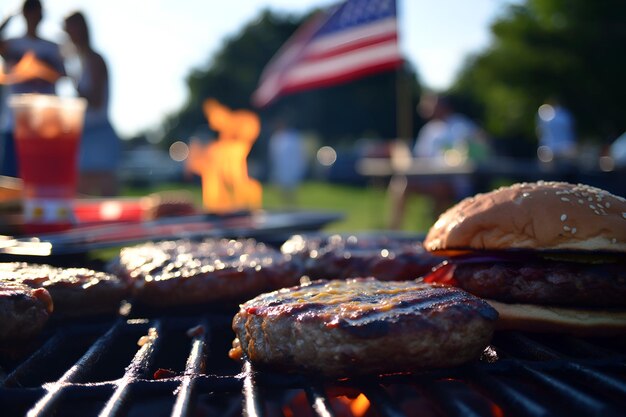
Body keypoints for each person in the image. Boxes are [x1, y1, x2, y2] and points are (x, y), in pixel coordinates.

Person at [388, 93, 490, 229]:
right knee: (401, 183)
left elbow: (481, 147)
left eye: (429, 103)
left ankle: (439, 232)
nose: (424, 107)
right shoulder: (429, 130)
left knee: (440, 189)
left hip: (455, 182)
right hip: (430, 178)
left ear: (441, 105)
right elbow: (421, 159)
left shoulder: (461, 125)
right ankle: (395, 229)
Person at [0, 0, 66, 177]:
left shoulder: (52, 47)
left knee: (43, 177)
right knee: (10, 180)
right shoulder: (11, 43)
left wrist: (42, 69)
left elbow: (63, 75)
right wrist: (8, 18)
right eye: (28, 10)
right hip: (15, 125)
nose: (33, 15)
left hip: (44, 126)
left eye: (36, 11)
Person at [63, 11, 121, 196]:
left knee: (104, 196)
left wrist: (72, 82)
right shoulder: (81, 62)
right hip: (85, 135)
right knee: (82, 196)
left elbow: (95, 101)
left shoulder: (95, 60)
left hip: (98, 135)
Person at [268, 118, 307, 208]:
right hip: (280, 170)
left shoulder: (293, 137)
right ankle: (287, 207)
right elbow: (273, 156)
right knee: (282, 192)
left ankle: (292, 207)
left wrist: (300, 167)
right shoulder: (276, 138)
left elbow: (300, 154)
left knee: (291, 191)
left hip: (292, 169)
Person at [536, 98, 577, 163]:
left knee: (547, 171)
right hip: (565, 148)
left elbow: (539, 132)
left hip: (548, 149)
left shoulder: (543, 113)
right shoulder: (566, 115)